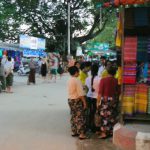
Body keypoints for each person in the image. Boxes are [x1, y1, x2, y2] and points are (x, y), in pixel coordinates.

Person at [97, 66, 119, 139]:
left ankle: (104, 133)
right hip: (113, 101)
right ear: (115, 73)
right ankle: (110, 132)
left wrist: (98, 102)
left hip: (105, 101)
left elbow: (100, 93)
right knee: (111, 116)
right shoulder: (116, 80)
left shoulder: (103, 80)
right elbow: (117, 91)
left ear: (107, 72)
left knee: (104, 117)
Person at [67, 66, 88, 139]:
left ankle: (74, 131)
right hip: (77, 100)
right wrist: (84, 103)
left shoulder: (69, 80)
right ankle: (81, 134)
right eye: (78, 71)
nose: (79, 73)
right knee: (80, 116)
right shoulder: (77, 80)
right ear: (76, 72)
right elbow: (80, 93)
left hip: (70, 99)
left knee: (73, 115)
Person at [85, 63, 101, 132]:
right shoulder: (100, 79)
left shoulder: (87, 78)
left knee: (90, 112)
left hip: (89, 96)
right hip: (97, 98)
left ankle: (89, 126)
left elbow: (86, 88)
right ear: (97, 70)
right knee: (96, 112)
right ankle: (95, 127)